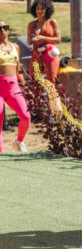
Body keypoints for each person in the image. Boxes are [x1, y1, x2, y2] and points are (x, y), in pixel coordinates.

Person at [0, 21, 31, 152]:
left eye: (5, 27)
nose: (2, 30)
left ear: (8, 31)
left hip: (14, 88)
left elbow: (18, 70)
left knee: (26, 117)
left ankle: (18, 141)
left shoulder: (16, 47)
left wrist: (25, 87)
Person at [27, 0, 61, 83]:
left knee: (51, 80)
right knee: (35, 81)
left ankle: (51, 96)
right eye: (37, 8)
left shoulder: (52, 22)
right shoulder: (31, 24)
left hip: (49, 54)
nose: (39, 11)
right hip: (36, 55)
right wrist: (31, 40)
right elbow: (28, 42)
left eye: (42, 9)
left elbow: (58, 39)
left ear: (47, 10)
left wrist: (43, 38)